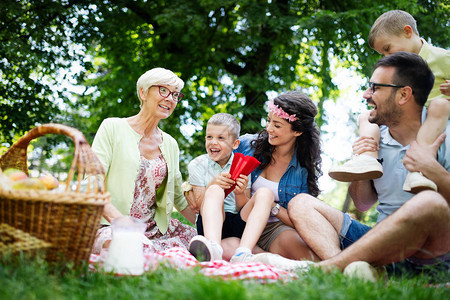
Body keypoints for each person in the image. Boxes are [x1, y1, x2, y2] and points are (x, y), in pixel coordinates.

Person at [288, 52, 450, 279]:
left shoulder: (445, 133)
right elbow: (363, 203)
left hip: (433, 251)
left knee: (429, 202)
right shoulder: (373, 138)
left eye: (375, 88)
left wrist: (434, 172)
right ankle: (348, 272)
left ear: (404, 94)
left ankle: (329, 270)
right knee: (301, 203)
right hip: (381, 243)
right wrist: (362, 164)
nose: (366, 95)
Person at [329, 10, 450, 193]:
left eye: (387, 48)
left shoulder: (442, 58)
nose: (386, 56)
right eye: (382, 53)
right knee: (366, 117)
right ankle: (368, 158)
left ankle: (419, 166)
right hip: (405, 117)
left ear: (408, 32)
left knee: (438, 106)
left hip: (433, 120)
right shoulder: (394, 69)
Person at [91, 67, 197, 254]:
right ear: (143, 92)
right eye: (163, 90)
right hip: (109, 224)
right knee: (132, 248)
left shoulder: (170, 144)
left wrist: (209, 226)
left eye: (175, 95)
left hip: (154, 229)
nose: (170, 99)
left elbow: (177, 196)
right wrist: (120, 222)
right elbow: (93, 184)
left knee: (200, 242)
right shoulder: (112, 127)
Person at [221, 91, 322, 263]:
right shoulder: (246, 145)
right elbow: (211, 166)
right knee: (225, 248)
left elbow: (302, 219)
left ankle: (261, 257)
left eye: (277, 125)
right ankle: (266, 259)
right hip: (243, 222)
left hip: (275, 228)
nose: (269, 129)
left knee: (309, 257)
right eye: (268, 121)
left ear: (297, 132)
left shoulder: (302, 169)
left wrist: (272, 206)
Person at [186, 113, 275, 262]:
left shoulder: (242, 164)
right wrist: (212, 184)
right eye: (209, 137)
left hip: (236, 222)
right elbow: (199, 207)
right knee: (215, 190)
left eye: (221, 138)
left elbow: (242, 207)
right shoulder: (197, 165)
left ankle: (243, 253)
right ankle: (213, 247)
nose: (213, 142)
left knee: (265, 193)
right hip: (210, 225)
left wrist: (240, 193)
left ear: (235, 144)